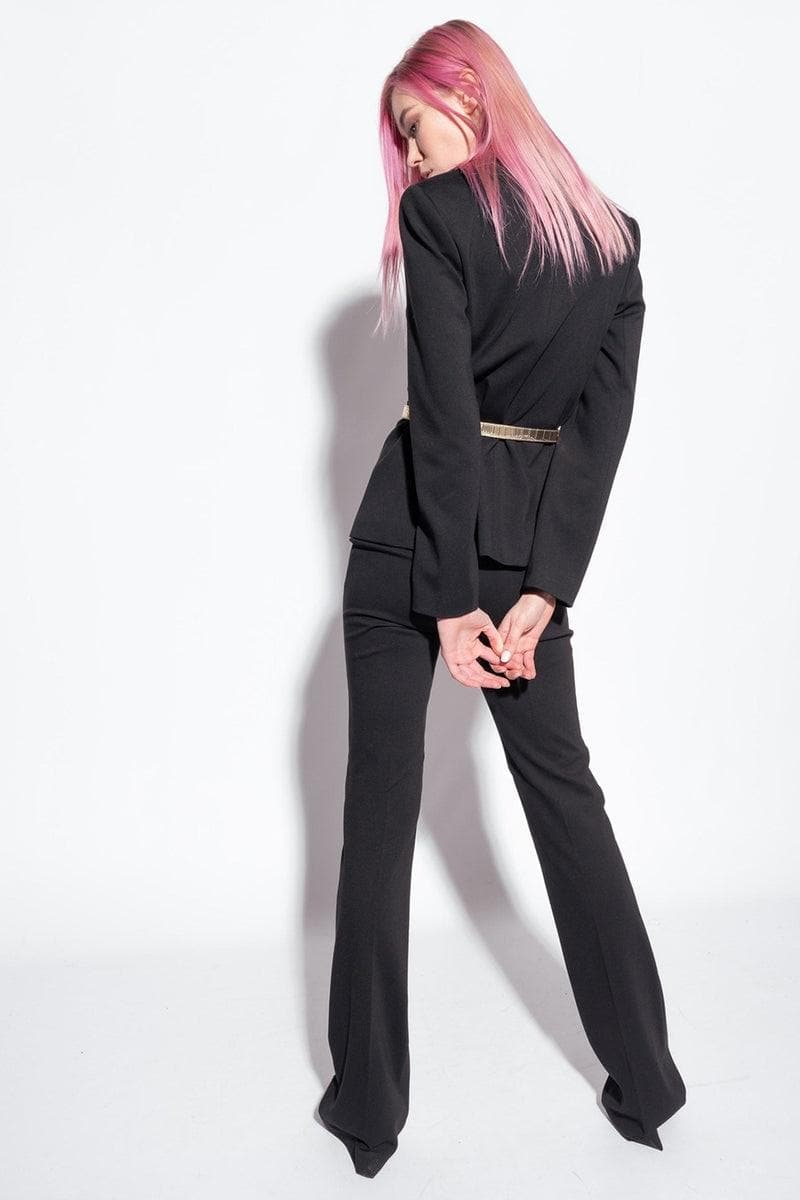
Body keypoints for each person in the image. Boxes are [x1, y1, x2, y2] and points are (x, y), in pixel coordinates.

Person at [316, 18, 687, 1178]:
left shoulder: (440, 216)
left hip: (409, 544)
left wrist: (442, 599)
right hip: (523, 553)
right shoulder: (611, 240)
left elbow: (440, 407)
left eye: (412, 127)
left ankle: (367, 1110)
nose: (410, 156)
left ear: (466, 98)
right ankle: (647, 1082)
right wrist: (541, 589)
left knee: (380, 805)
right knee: (564, 797)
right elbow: (597, 434)